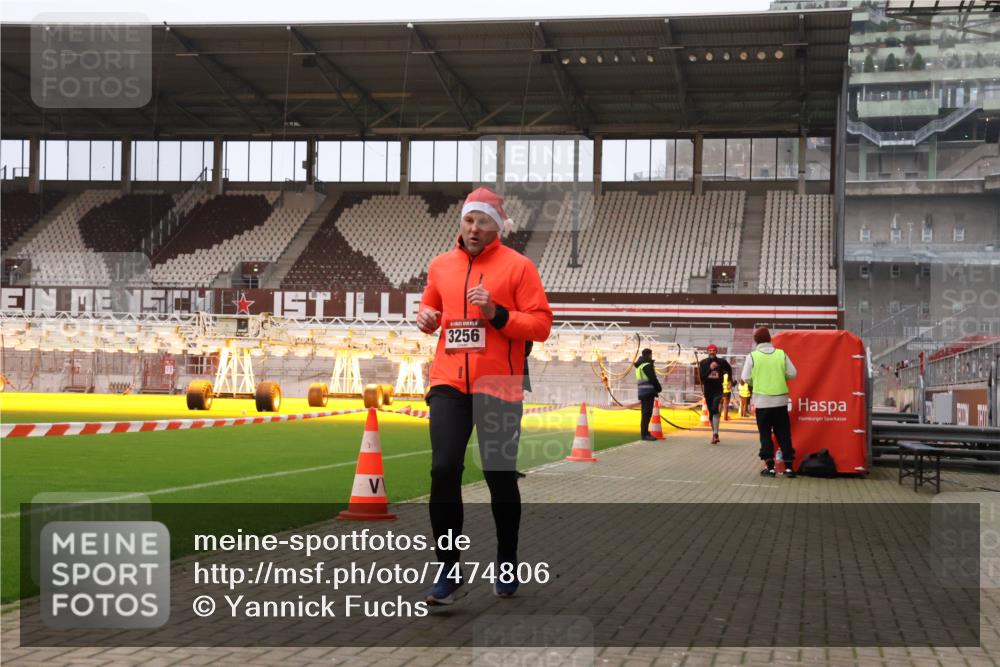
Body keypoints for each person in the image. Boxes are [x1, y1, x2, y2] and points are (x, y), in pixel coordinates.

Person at [416, 186, 553, 604]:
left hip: (499, 385)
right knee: (443, 470)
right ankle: (448, 570)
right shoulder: (441, 266)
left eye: (483, 222)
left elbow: (541, 325)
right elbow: (430, 309)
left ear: (498, 227)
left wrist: (497, 314)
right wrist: (425, 319)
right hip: (448, 383)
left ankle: (507, 559)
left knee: (498, 476)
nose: (474, 229)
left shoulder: (519, 267)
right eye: (468, 221)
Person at [740, 326, 798, 477]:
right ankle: (789, 467)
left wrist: (757, 381)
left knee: (765, 435)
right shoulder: (781, 354)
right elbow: (793, 373)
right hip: (780, 402)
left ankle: (770, 467)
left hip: (762, 403)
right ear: (769, 339)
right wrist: (780, 377)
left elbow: (745, 377)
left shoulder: (752, 356)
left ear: (756, 341)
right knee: (784, 434)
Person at [698, 343, 732, 444]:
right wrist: (710, 369)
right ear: (707, 352)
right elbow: (702, 377)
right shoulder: (703, 363)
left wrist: (730, 380)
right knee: (711, 412)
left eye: (713, 350)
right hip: (708, 389)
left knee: (715, 408)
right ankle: (714, 434)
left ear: (716, 351)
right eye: (710, 350)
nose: (712, 352)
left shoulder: (721, 362)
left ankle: (716, 434)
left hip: (718, 389)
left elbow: (729, 369)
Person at [634, 348, 662, 441]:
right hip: (648, 392)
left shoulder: (640, 366)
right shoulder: (647, 365)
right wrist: (659, 388)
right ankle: (645, 435)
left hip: (642, 392)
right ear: (649, 355)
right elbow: (653, 379)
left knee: (644, 414)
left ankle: (645, 433)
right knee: (647, 414)